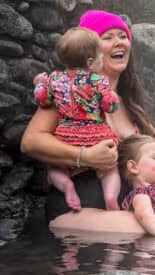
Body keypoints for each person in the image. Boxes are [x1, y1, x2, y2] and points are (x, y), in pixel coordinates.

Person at [20, 9, 155, 234]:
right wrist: (84, 156)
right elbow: (30, 141)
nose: (119, 42)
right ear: (90, 51)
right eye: (107, 37)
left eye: (123, 36)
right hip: (77, 210)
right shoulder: (68, 92)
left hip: (128, 206)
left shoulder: (129, 105)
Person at [32, 27, 121, 211]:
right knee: (110, 168)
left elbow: (42, 100)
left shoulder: (54, 79)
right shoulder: (99, 81)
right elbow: (110, 106)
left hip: (66, 139)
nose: (102, 60)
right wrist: (113, 97)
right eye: (100, 57)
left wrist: (39, 83)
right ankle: (111, 197)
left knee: (55, 168)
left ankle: (67, 186)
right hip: (97, 138)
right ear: (90, 62)